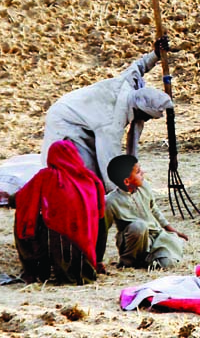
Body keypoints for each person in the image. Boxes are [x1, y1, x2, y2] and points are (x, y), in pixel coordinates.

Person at [42, 40, 174, 191]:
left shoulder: (129, 85)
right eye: (147, 117)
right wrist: (120, 192)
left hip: (84, 115)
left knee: (94, 172)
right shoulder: (112, 122)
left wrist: (155, 54)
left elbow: (138, 67)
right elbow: (110, 162)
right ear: (140, 111)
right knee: (85, 172)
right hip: (65, 120)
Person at [14, 140, 107, 284]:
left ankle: (36, 268)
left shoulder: (46, 176)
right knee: (98, 221)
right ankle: (96, 262)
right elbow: (101, 221)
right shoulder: (91, 179)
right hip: (85, 255)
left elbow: (20, 198)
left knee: (26, 217)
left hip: (57, 246)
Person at [105, 154, 188, 270]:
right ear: (127, 181)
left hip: (155, 237)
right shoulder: (110, 201)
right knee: (139, 226)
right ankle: (129, 262)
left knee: (168, 264)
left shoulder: (145, 187)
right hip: (133, 243)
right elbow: (103, 230)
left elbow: (154, 209)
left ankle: (148, 259)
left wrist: (172, 230)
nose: (143, 172)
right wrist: (98, 260)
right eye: (138, 172)